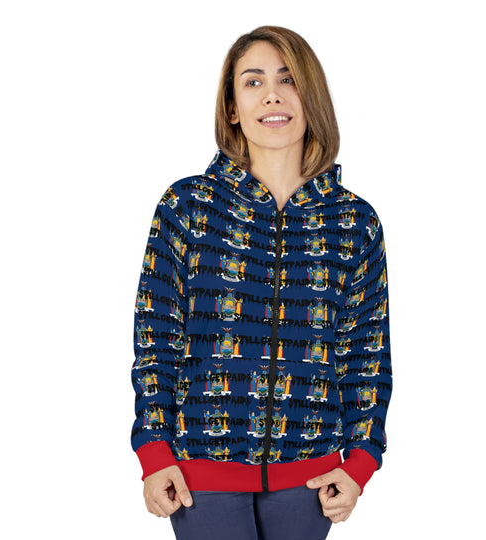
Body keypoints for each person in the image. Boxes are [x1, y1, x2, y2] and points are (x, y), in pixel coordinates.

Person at [131, 25, 392, 540]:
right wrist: (154, 452)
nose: (272, 95)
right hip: (200, 474)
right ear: (232, 108)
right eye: (253, 82)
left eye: (288, 79)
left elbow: (366, 351)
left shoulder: (353, 222)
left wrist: (361, 461)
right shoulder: (188, 206)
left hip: (311, 479)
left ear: (311, 96)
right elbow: (156, 335)